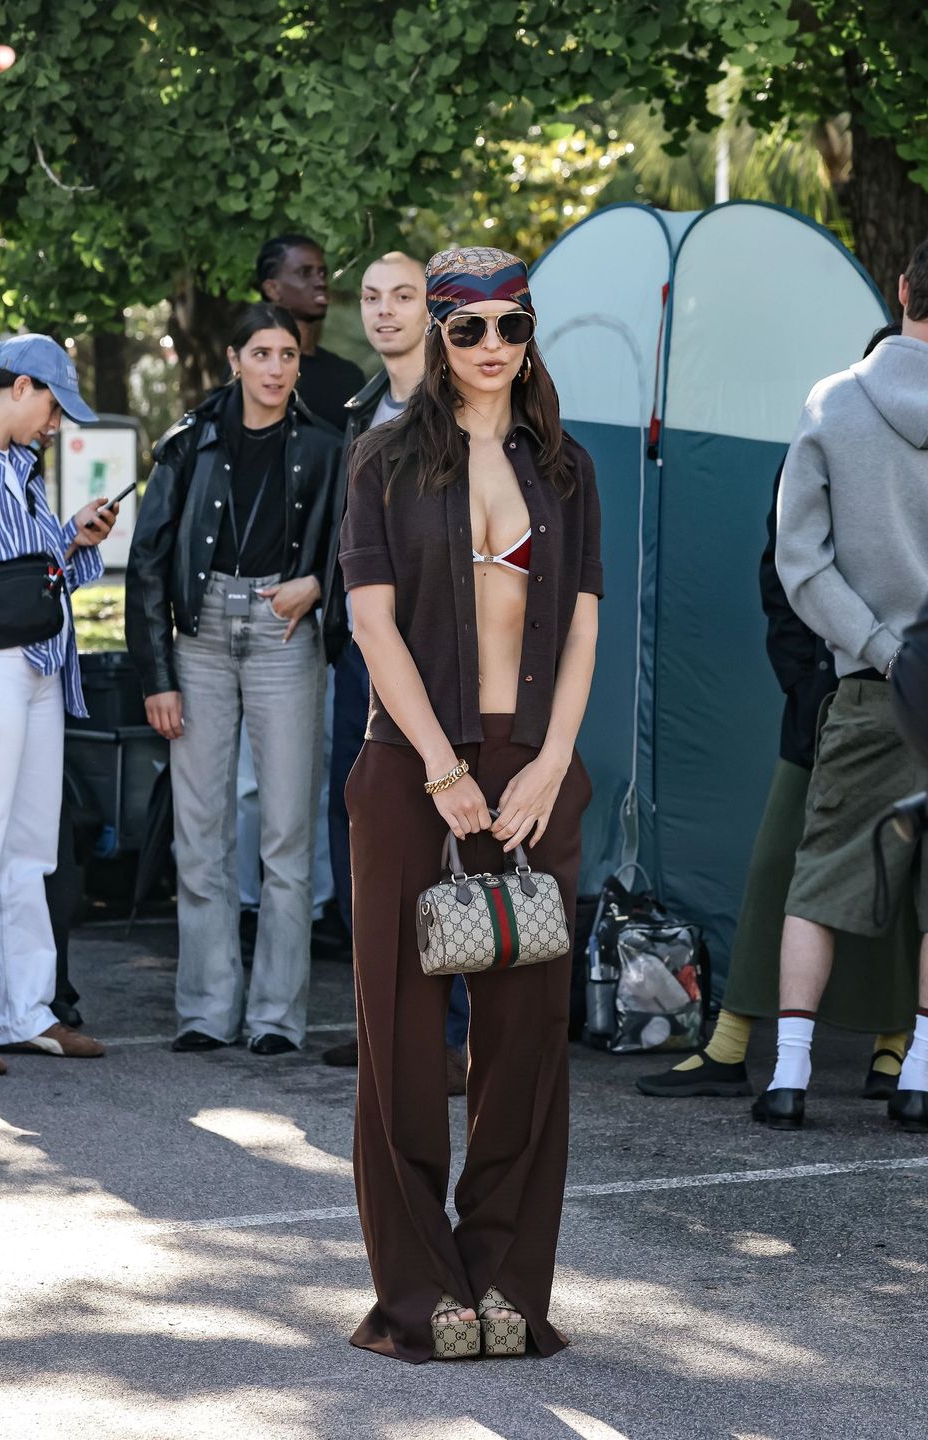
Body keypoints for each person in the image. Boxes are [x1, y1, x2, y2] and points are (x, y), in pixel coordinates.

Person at [340, 246, 602, 1362]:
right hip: (411, 775)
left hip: (537, 772)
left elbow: (585, 622)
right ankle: (418, 1294)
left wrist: (551, 764)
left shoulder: (568, 466)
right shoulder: (384, 460)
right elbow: (370, 623)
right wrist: (444, 771)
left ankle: (504, 1281)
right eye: (469, 329)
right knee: (401, 1043)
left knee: (527, 1044)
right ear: (437, 342)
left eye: (512, 325)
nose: (493, 346)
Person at [638, 325, 917, 1102]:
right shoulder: (828, 430)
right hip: (832, 703)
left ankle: (894, 1051)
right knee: (777, 875)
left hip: (906, 699)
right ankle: (732, 1046)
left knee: (907, 875)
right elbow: (785, 576)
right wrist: (813, 682)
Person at [754, 234, 928, 1131]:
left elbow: (801, 564)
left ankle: (789, 1076)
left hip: (873, 685)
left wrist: (877, 646)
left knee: (820, 879)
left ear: (903, 290)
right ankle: (921, 1079)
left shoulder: (833, 402)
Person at [125, 303, 342, 1055]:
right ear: (234, 359)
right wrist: (158, 675)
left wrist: (316, 582)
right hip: (204, 638)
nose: (277, 368)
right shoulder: (192, 441)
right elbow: (148, 560)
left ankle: (276, 1016)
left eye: (288, 354)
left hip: (287, 635)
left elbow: (355, 548)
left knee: (285, 834)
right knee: (202, 832)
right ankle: (206, 1009)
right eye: (262, 353)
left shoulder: (326, 444)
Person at [320, 250, 474, 1086]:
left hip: (442, 656)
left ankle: (449, 1032)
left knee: (450, 843)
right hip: (363, 653)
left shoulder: (462, 409)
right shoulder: (358, 411)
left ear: (432, 310)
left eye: (403, 297)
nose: (384, 311)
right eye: (373, 297)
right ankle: (386, 1020)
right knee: (370, 836)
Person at [0, 334, 117, 1073]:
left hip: (38, 666)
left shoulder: (21, 471)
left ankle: (24, 1012)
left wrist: (73, 540)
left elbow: (35, 577)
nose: (55, 424)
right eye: (51, 406)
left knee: (29, 850)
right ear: (19, 388)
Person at [256, 234, 365, 431]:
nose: (320, 282)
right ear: (272, 289)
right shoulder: (249, 372)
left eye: (322, 273)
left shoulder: (348, 375)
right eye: (305, 273)